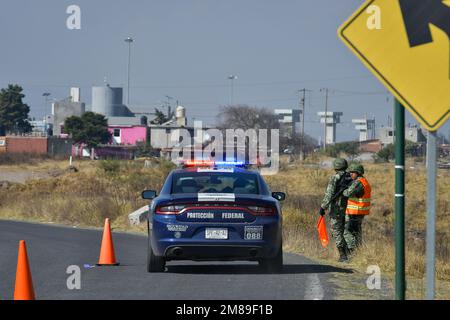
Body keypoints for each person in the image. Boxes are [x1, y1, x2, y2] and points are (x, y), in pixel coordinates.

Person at [319, 158, 353, 262]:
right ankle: (351, 252)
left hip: (336, 209)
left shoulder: (335, 178)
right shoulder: (350, 177)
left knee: (336, 231)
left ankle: (343, 255)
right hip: (349, 209)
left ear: (335, 167)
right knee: (346, 231)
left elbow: (329, 194)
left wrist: (323, 207)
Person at [343, 163, 372, 254]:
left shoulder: (358, 182)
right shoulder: (364, 181)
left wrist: (343, 190)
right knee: (356, 232)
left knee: (347, 231)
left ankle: (352, 250)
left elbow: (348, 193)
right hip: (359, 211)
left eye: (353, 172)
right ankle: (359, 252)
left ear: (358, 173)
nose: (351, 174)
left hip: (354, 211)